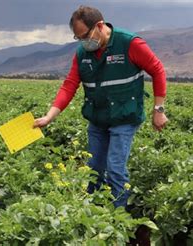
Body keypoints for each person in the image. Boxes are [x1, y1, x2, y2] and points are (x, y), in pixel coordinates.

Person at [33, 5, 168, 208]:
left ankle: (117, 218)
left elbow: (158, 70)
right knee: (94, 168)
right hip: (97, 119)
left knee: (114, 168)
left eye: (85, 35)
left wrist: (158, 110)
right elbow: (69, 85)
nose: (84, 41)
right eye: (79, 38)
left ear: (99, 25)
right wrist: (49, 116)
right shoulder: (82, 54)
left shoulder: (129, 43)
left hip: (124, 118)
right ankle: (93, 213)